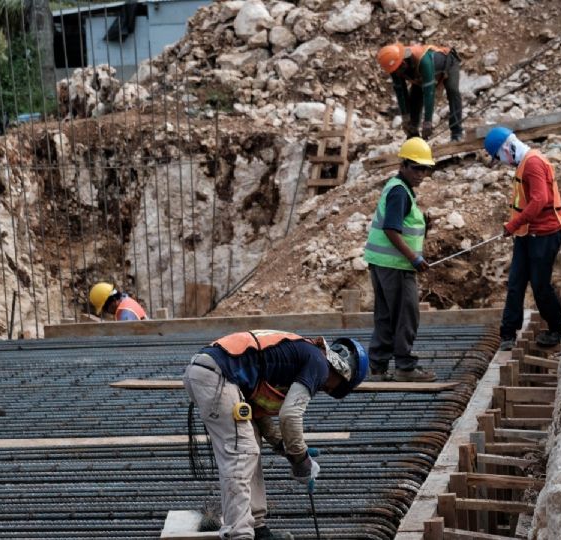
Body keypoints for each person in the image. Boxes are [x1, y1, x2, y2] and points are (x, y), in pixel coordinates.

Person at [184, 330, 368, 540]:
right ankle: (239, 534)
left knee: (250, 444)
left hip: (207, 373)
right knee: (242, 453)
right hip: (216, 376)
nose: (326, 387)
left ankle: (257, 527)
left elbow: (260, 416)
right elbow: (289, 415)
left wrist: (283, 445)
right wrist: (301, 460)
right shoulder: (319, 363)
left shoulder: (294, 356)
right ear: (344, 374)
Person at [483, 126, 561, 351]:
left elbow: (540, 200)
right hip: (527, 233)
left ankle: (559, 328)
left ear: (507, 148)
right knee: (516, 282)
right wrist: (517, 227)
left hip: (545, 233)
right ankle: (508, 333)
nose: (501, 162)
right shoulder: (524, 163)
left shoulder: (532, 164)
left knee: (540, 285)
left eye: (499, 157)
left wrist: (512, 225)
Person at [363, 137, 436, 382]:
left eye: (425, 168)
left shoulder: (398, 188)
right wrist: (414, 258)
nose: (421, 174)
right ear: (403, 165)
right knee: (407, 315)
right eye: (416, 168)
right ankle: (405, 366)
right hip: (396, 266)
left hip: (383, 263)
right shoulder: (399, 192)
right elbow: (391, 229)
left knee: (385, 315)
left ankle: (378, 366)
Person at [377, 43, 464, 141]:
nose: (397, 74)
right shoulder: (394, 67)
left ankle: (456, 133)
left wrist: (428, 122)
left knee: (453, 91)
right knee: (414, 99)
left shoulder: (423, 61)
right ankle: (413, 136)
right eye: (394, 71)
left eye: (398, 70)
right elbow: (400, 91)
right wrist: (406, 118)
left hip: (448, 64)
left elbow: (429, 92)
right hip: (421, 76)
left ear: (403, 63)